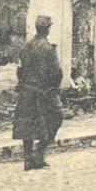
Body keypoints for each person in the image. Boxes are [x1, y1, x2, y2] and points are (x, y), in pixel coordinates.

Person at [13, 15, 64, 171]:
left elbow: (19, 71)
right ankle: (40, 154)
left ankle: (28, 159)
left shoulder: (25, 47)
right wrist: (54, 89)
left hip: (26, 91)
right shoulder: (49, 49)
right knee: (56, 116)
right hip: (44, 92)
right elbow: (57, 73)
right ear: (47, 29)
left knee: (26, 123)